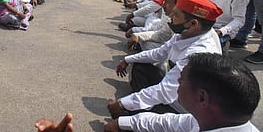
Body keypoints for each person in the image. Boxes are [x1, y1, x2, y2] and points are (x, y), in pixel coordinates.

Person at [107, 0, 222, 118]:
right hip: (174, 94)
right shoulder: (186, 34)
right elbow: (159, 53)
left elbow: (165, 92)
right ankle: (140, 109)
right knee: (141, 66)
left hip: (185, 112)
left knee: (126, 119)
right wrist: (127, 59)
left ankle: (140, 113)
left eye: (175, 15)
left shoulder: (199, 54)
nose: (169, 17)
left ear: (193, 24)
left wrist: (122, 104)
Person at [103, 53, 260, 132]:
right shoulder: (211, 119)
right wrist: (122, 123)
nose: (177, 82)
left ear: (201, 98)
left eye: (182, 79)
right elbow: (170, 122)